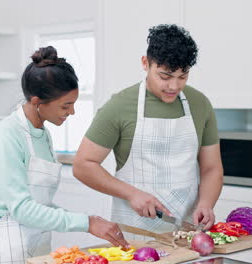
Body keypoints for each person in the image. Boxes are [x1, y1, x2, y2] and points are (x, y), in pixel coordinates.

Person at [0, 46, 129, 264]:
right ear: (38, 102)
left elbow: (41, 204)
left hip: (37, 244)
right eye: (66, 106)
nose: (72, 112)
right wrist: (87, 222)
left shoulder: (43, 134)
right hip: (8, 246)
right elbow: (21, 209)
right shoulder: (7, 134)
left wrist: (90, 221)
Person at [73, 24, 224, 238]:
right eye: (165, 76)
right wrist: (132, 194)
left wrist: (207, 203)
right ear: (146, 63)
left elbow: (211, 168)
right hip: (136, 232)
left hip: (189, 231)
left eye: (183, 76)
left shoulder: (200, 104)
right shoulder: (119, 106)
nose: (174, 86)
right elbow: (82, 165)